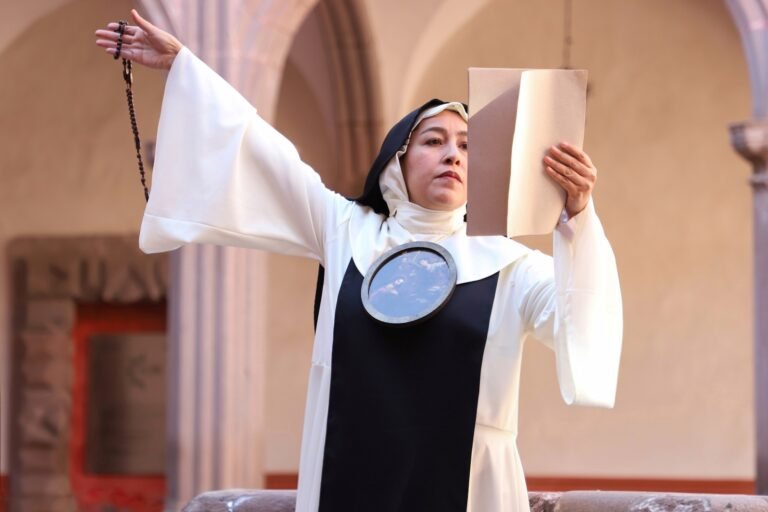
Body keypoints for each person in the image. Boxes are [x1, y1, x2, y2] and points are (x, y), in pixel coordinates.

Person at [96, 10, 622, 512]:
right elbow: (262, 152)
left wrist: (578, 218)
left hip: (467, 486)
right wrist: (185, 67)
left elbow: (578, 319)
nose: (453, 154)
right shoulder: (347, 231)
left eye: (466, 146)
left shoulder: (509, 265)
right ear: (396, 161)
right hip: (350, 471)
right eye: (433, 140)